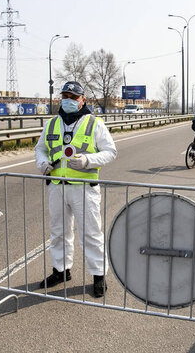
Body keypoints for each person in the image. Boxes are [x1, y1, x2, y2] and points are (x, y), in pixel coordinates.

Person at [35, 81, 117, 297]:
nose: (68, 100)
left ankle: (98, 276)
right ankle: (60, 271)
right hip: (57, 186)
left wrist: (88, 161)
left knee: (90, 233)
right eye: (65, 96)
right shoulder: (52, 124)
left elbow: (110, 151)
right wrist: (42, 163)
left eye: (73, 97)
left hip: (84, 188)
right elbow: (40, 149)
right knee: (58, 232)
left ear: (83, 100)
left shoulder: (94, 123)